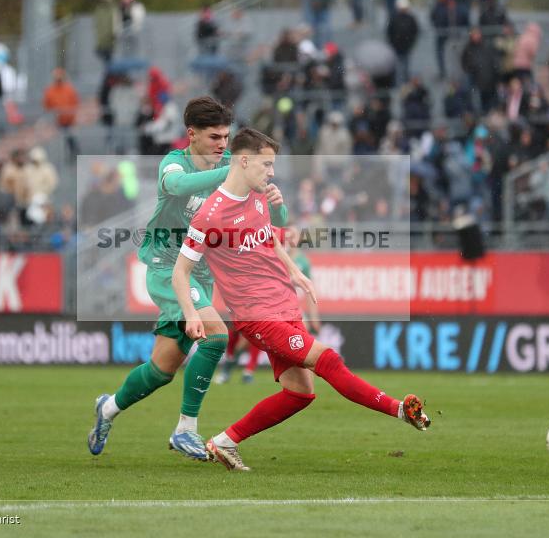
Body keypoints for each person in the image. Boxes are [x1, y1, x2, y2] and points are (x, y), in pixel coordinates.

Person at [172, 128, 429, 471]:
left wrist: (294, 271)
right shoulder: (209, 215)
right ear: (244, 160)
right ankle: (398, 409)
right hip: (258, 315)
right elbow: (180, 271)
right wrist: (191, 314)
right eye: (266, 164)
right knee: (329, 361)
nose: (272, 172)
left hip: (285, 303)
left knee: (299, 393)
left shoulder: (259, 196)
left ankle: (225, 441)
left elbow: (271, 238)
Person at [88, 97, 289, 462]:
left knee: (161, 370)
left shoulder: (232, 166)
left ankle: (108, 408)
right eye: (214, 137)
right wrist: (233, 174)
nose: (222, 145)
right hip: (168, 269)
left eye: (226, 137)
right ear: (191, 134)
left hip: (203, 272)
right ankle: (186, 429)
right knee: (216, 336)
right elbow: (178, 187)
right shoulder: (172, 164)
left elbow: (277, 219)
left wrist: (276, 202)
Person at [217, 225, 320, 385]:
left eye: (295, 235)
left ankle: (246, 371)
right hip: (266, 304)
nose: (292, 238)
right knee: (243, 340)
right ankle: (234, 366)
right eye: (289, 234)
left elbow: (308, 288)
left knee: (301, 343)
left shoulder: (302, 262)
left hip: (292, 308)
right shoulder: (274, 252)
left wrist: (314, 317)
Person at [43, 67, 80, 162]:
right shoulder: (50, 90)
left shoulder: (69, 89)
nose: (58, 80)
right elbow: (47, 104)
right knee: (58, 140)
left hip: (69, 119)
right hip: (57, 120)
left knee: (70, 138)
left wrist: (71, 114)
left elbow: (75, 102)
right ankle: (60, 158)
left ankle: (73, 153)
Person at [386, 0, 418, 82]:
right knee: (401, 65)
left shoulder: (398, 18)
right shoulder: (407, 18)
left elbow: (389, 32)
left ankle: (402, 81)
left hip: (402, 45)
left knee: (402, 65)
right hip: (401, 45)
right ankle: (402, 81)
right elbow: (389, 32)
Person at [94, 0, 117, 64]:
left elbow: (115, 23)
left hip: (110, 40)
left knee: (110, 59)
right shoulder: (99, 10)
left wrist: (114, 33)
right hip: (101, 40)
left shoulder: (113, 9)